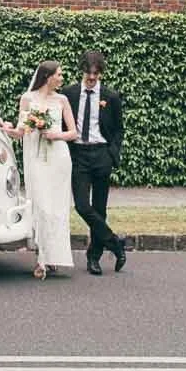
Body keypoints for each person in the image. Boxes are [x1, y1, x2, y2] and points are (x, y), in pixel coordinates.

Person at [3, 60, 77, 279]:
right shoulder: (28, 99)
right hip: (36, 158)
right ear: (47, 77)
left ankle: (52, 257)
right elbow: (21, 131)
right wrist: (5, 129)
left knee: (57, 208)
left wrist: (57, 134)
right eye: (59, 75)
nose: (62, 79)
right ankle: (42, 257)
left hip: (58, 157)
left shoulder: (62, 100)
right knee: (41, 206)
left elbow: (73, 132)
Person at [62, 50, 127, 275]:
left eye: (96, 74)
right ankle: (115, 243)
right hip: (78, 155)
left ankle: (94, 258)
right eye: (89, 73)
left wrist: (111, 154)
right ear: (82, 71)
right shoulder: (68, 94)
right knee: (82, 205)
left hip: (101, 155)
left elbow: (119, 130)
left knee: (100, 208)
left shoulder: (111, 97)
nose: (91, 78)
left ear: (100, 74)